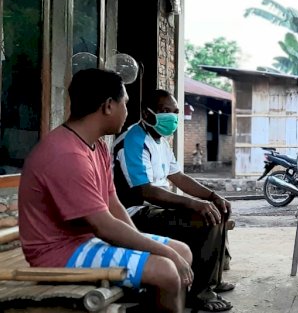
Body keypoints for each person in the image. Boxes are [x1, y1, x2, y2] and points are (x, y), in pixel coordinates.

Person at [18, 69, 193, 313]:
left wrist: (145, 245)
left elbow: (112, 203)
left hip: (86, 241)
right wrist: (162, 253)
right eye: (125, 103)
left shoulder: (96, 146)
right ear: (109, 105)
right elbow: (104, 225)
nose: (127, 111)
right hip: (56, 253)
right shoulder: (66, 154)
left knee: (181, 251)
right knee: (166, 270)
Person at [112, 89, 234, 312]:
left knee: (217, 209)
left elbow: (178, 177)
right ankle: (198, 292)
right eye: (164, 111)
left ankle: (212, 281)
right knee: (203, 218)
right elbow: (145, 192)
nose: (171, 117)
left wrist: (211, 196)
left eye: (175, 112)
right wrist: (194, 204)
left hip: (155, 207)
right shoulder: (134, 140)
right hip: (133, 213)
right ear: (146, 113)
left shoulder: (160, 141)